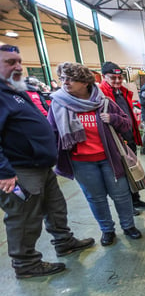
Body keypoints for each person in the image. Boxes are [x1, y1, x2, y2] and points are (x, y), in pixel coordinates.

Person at [0, 44, 94, 278]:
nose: (18, 66)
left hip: (40, 165)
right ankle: (26, 263)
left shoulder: (15, 90)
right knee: (24, 217)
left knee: (56, 207)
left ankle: (64, 241)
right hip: (19, 170)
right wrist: (4, 172)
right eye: (10, 62)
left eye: (19, 61)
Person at [48, 62, 143, 246]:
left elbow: (126, 124)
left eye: (71, 79)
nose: (65, 83)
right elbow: (51, 132)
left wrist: (113, 119)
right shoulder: (58, 104)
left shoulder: (103, 102)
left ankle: (128, 226)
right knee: (95, 198)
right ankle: (107, 230)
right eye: (62, 79)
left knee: (121, 195)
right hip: (81, 163)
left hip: (109, 159)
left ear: (84, 82)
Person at [99, 61, 145, 211]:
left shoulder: (122, 92)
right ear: (104, 77)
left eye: (119, 77)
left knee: (133, 170)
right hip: (116, 141)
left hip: (129, 138)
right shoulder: (101, 94)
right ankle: (129, 205)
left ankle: (136, 200)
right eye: (112, 77)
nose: (117, 80)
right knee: (122, 175)